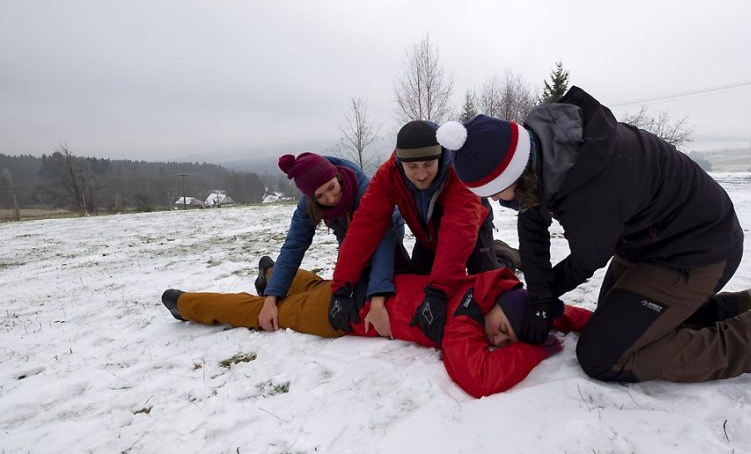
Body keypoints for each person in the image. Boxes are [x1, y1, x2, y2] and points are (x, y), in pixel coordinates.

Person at [435, 85, 751, 402]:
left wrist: (544, 295)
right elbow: (532, 224)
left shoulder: (591, 183)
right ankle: (742, 307)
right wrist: (538, 296)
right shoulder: (547, 151)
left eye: (496, 193)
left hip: (697, 252)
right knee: (615, 323)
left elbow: (587, 258)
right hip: (652, 243)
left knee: (604, 354)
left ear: (514, 170)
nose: (498, 201)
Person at [161, 266, 592, 398]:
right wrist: (541, 350)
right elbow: (476, 377)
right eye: (500, 331)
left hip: (355, 289)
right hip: (336, 313)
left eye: (504, 341)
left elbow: (552, 312)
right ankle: (187, 303)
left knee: (313, 285)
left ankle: (274, 274)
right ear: (496, 310)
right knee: (260, 313)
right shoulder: (464, 317)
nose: (496, 341)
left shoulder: (495, 290)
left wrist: (568, 324)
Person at [330, 121, 520, 346]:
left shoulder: (458, 170)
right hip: (428, 235)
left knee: (485, 286)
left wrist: (440, 290)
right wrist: (341, 286)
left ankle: (504, 256)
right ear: (401, 163)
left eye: (428, 164)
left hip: (472, 229)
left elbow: (459, 230)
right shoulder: (388, 176)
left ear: (440, 157)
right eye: (412, 167)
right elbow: (364, 228)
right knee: (419, 285)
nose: (421, 174)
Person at [258, 153, 405, 337]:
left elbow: (384, 243)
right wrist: (270, 298)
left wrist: (377, 302)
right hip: (346, 234)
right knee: (350, 284)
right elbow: (294, 246)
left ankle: (269, 273)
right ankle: (268, 273)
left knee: (387, 276)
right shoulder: (308, 204)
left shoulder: (365, 190)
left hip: (388, 227)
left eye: (332, 187)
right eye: (320, 196)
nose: (331, 198)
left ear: (337, 176)